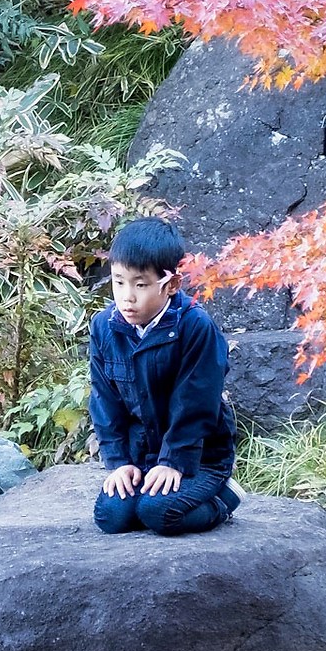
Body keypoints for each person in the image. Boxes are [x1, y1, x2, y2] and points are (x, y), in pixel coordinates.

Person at [89, 217, 239, 536]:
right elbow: (104, 401)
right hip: (141, 455)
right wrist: (119, 463)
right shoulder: (104, 327)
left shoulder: (195, 327)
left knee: (158, 512)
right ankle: (156, 490)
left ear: (171, 285)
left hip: (200, 456)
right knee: (111, 517)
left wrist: (173, 461)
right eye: (119, 282)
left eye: (140, 285)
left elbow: (196, 403)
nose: (127, 296)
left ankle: (223, 499)